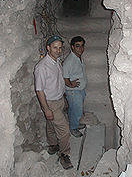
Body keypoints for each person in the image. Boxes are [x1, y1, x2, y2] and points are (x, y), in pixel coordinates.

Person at [34, 35, 73, 170]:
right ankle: (64, 154)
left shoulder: (56, 61)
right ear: (48, 48)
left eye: (60, 48)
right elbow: (39, 90)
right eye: (55, 47)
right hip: (50, 102)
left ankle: (52, 144)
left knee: (51, 124)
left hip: (59, 99)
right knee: (64, 131)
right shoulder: (42, 67)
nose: (58, 50)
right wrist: (46, 109)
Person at [63, 36, 88, 138]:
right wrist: (70, 84)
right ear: (72, 47)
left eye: (82, 46)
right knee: (76, 110)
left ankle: (75, 124)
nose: (80, 48)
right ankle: (73, 128)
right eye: (77, 46)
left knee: (74, 109)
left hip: (79, 90)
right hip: (74, 92)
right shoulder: (69, 61)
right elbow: (64, 76)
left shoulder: (78, 58)